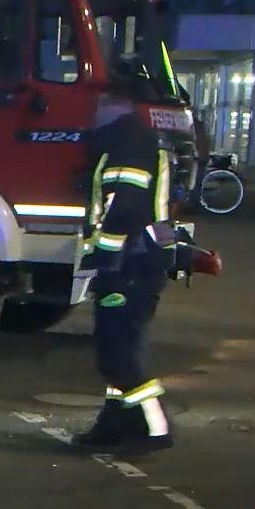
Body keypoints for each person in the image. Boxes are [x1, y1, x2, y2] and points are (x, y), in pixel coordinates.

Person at [74, 91, 176, 452]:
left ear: (117, 108)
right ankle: (114, 422)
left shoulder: (127, 145)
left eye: (100, 105)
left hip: (130, 264)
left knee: (117, 352)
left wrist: (103, 259)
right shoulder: (134, 140)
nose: (94, 112)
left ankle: (154, 426)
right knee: (118, 345)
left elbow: (124, 209)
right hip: (140, 261)